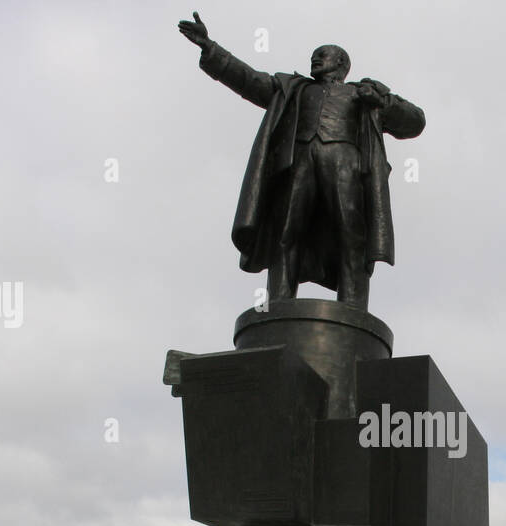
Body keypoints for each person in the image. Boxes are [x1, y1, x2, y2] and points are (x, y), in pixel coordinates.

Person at [178, 12, 425, 311]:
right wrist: (211, 49)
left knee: (351, 235)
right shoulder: (293, 89)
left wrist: (382, 101)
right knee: (286, 231)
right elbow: (250, 80)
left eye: (323, 56)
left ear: (342, 64)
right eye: (313, 56)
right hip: (297, 162)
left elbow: (415, 121)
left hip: (346, 162)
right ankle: (279, 307)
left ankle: (352, 312)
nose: (315, 60)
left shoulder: (362, 93)